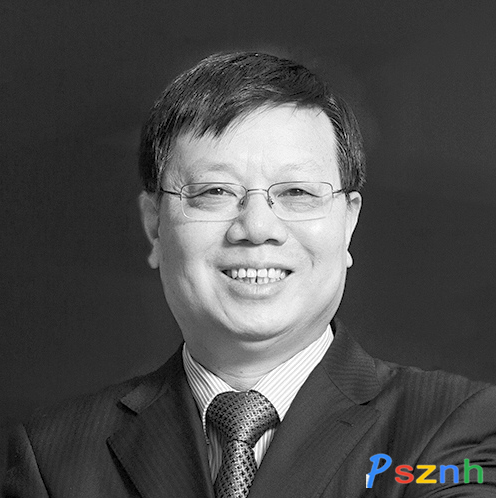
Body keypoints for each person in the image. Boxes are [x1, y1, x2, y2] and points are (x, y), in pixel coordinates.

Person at [3, 51, 496, 498]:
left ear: (348, 223)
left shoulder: (453, 426)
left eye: (297, 193)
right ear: (155, 226)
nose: (257, 228)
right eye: (214, 192)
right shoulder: (51, 457)